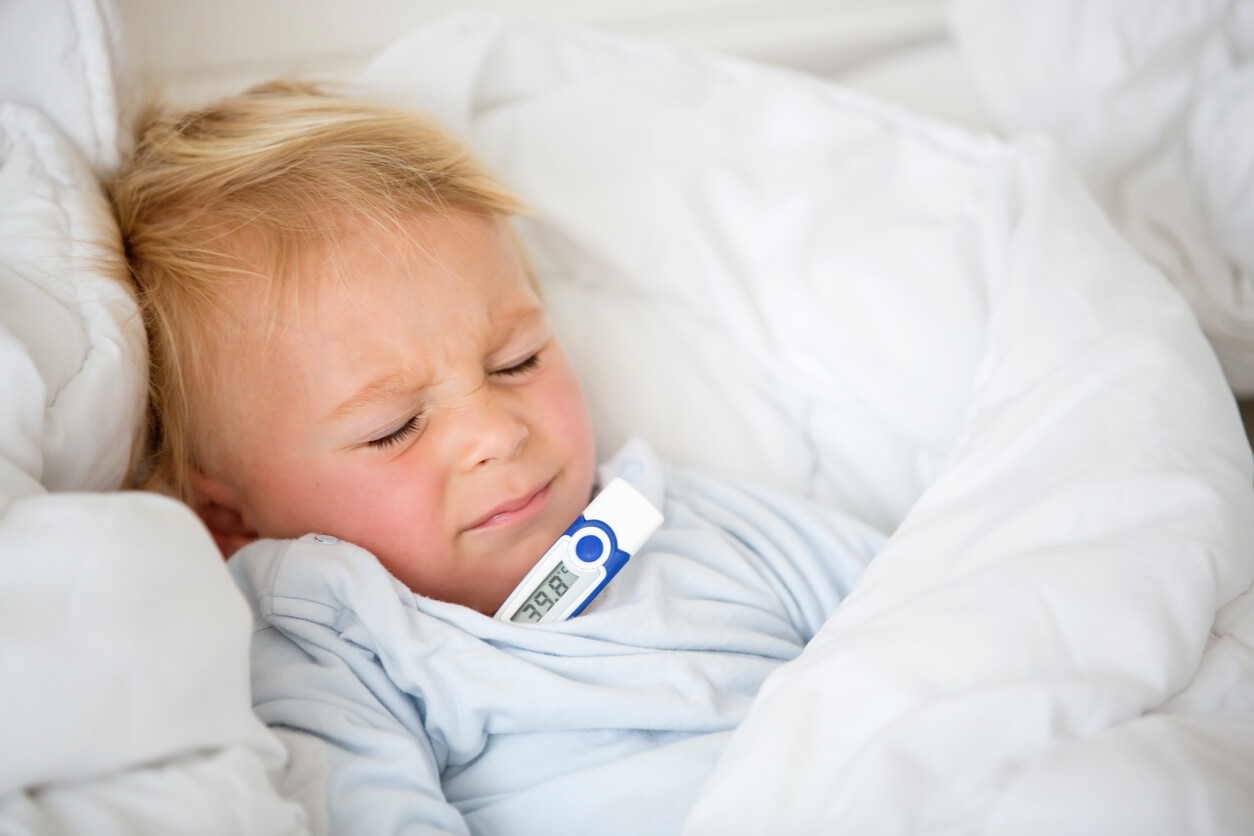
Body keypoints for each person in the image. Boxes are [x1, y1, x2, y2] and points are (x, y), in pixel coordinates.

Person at [110, 81, 885, 836]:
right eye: (394, 428)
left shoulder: (686, 520)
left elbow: (927, 609)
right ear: (227, 517)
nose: (496, 433)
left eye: (518, 360)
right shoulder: (335, 647)